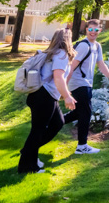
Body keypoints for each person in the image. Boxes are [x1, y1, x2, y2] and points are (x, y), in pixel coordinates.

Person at [18, 28, 76, 174]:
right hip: (44, 96)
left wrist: (65, 93)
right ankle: (27, 166)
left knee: (58, 122)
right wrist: (67, 96)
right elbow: (58, 77)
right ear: (67, 40)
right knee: (38, 130)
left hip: (42, 96)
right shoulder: (61, 54)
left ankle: (28, 151)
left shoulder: (52, 53)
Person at [64, 19, 109, 154]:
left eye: (96, 30)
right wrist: (64, 89)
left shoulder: (97, 46)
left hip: (86, 83)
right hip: (78, 84)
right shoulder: (83, 46)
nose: (93, 32)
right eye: (90, 29)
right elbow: (71, 67)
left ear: (99, 30)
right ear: (86, 29)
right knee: (86, 113)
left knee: (78, 112)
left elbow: (101, 64)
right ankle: (82, 146)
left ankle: (53, 121)